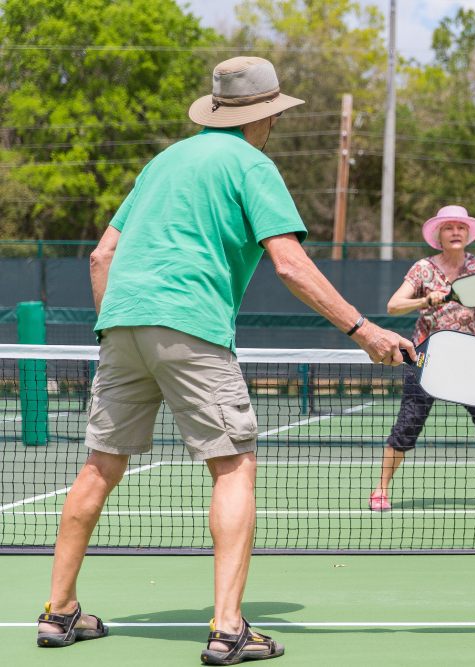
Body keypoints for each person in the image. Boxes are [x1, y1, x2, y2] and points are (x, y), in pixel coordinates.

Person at [34, 57, 414, 663]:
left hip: (120, 325)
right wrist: (362, 329)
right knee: (234, 467)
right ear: (263, 116)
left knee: (100, 467)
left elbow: (102, 256)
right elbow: (289, 263)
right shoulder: (252, 164)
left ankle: (59, 612)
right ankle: (229, 628)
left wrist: (115, 329)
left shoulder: (163, 162)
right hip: (191, 325)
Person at [369, 205, 475, 511]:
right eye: (449, 227)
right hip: (426, 359)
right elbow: (393, 305)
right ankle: (380, 490)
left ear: (468, 234)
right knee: (407, 425)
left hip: (472, 361)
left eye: (461, 227)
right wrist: (426, 299)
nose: (456, 232)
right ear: (438, 235)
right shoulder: (423, 269)